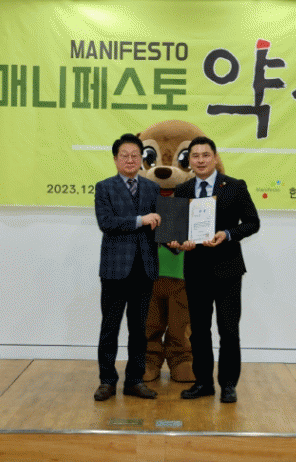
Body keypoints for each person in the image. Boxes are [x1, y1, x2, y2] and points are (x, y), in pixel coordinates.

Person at [169, 136, 260, 403]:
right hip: (196, 271)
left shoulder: (234, 186)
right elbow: (172, 233)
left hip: (228, 270)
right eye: (195, 156)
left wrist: (228, 234)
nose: (200, 160)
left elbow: (252, 223)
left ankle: (228, 385)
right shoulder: (183, 190)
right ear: (189, 160)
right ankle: (203, 383)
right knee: (199, 331)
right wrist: (178, 243)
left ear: (215, 157)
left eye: (205, 155)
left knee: (229, 330)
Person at [93, 133, 161, 401]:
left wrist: (177, 240)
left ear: (141, 158)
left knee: (139, 330)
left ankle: (135, 380)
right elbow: (106, 223)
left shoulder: (152, 188)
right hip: (115, 270)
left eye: (135, 155)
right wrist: (140, 220)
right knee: (110, 329)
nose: (130, 160)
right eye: (125, 155)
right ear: (115, 159)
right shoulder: (104, 188)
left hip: (144, 269)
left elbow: (161, 226)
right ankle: (107, 381)